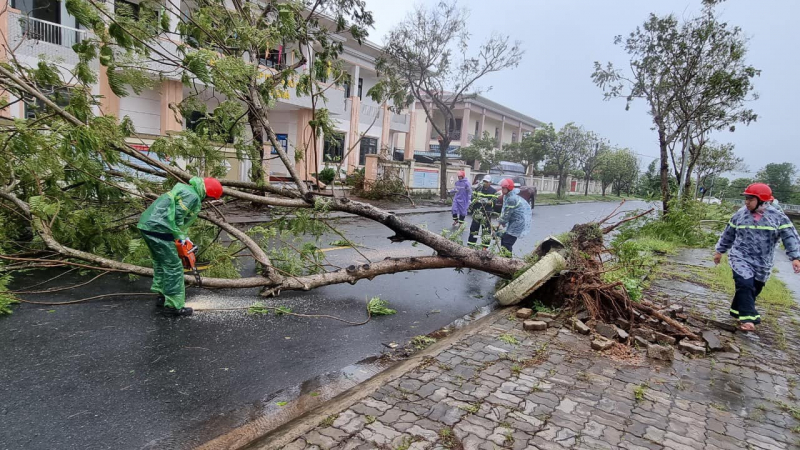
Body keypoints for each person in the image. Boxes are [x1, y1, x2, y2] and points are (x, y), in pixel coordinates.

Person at [714, 183, 800, 331]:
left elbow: (790, 237)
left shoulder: (778, 217)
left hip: (763, 262)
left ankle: (736, 310)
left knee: (753, 288)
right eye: (746, 199)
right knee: (744, 283)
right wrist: (719, 251)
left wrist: (795, 257)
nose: (746, 202)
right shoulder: (740, 215)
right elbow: (728, 233)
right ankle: (748, 319)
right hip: (740, 256)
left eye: (750, 199)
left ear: (762, 201)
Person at [137, 177, 224, 316]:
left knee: (161, 262)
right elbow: (177, 217)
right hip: (161, 229)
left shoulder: (185, 189)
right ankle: (173, 307)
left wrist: (184, 236)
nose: (207, 201)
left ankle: (162, 296)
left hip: (148, 225)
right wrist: (180, 238)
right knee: (174, 267)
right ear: (207, 194)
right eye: (209, 199)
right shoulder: (193, 196)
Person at [496, 178, 532, 253]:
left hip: (517, 223)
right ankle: (503, 259)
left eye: (503, 188)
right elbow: (504, 210)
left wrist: (500, 222)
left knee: (507, 243)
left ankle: (507, 261)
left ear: (508, 188)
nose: (502, 189)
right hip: (513, 222)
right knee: (504, 240)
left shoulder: (511, 199)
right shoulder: (507, 196)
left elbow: (507, 215)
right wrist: (499, 223)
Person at [467, 175, 499, 249]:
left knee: (486, 230)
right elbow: (472, 197)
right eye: (484, 181)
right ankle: (471, 245)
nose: (485, 183)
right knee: (474, 229)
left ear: (490, 183)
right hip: (477, 213)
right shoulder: (478, 189)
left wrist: (489, 202)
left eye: (486, 182)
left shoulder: (493, 191)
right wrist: (476, 200)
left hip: (486, 214)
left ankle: (485, 247)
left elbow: (494, 201)